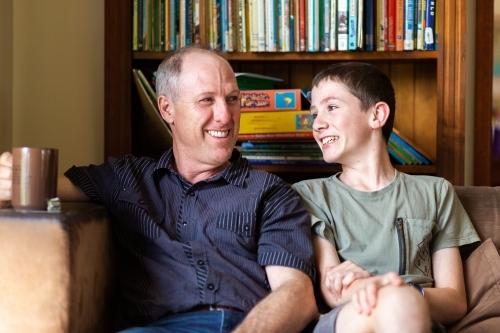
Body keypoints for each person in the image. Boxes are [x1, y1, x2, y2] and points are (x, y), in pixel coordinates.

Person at [0, 44, 318, 332]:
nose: (225, 115)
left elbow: (297, 294)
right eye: (207, 100)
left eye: (232, 99)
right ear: (167, 109)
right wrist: (8, 177)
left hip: (244, 325)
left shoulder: (272, 193)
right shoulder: (127, 178)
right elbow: (38, 184)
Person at [291, 62, 481, 333]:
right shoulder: (309, 194)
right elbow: (333, 291)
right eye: (314, 114)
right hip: (348, 319)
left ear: (376, 115)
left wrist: (392, 290)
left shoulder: (436, 192)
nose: (317, 124)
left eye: (331, 108)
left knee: (400, 307)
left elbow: (454, 302)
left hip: (417, 320)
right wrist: (386, 292)